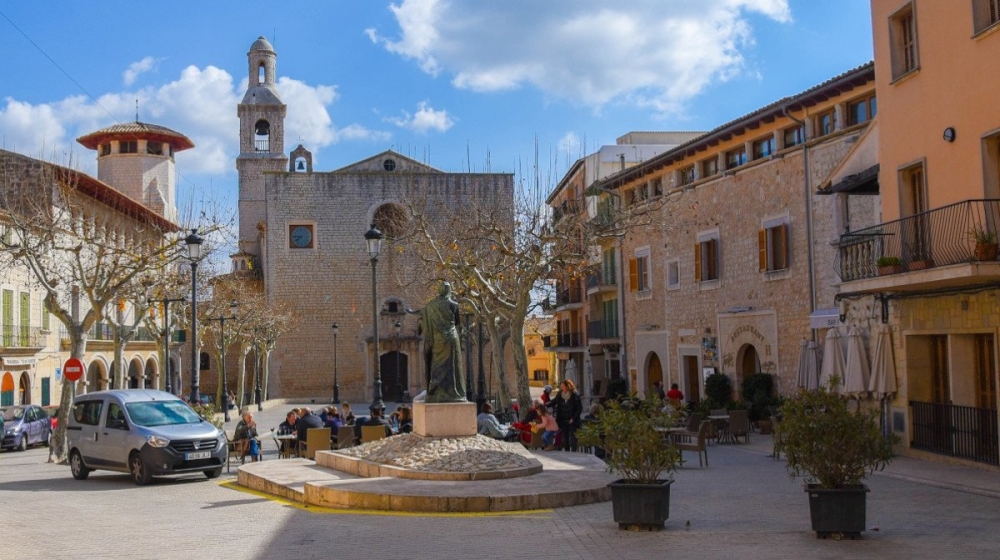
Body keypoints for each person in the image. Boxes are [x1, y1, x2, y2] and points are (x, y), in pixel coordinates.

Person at [419, 281, 466, 403]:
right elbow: (457, 323)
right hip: (451, 338)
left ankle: (436, 390)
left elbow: (424, 322)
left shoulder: (430, 306)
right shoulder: (454, 305)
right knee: (452, 366)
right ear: (449, 291)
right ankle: (454, 392)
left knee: (437, 365)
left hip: (437, 339)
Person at [548, 380, 583, 451]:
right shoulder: (560, 394)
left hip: (572, 420)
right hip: (562, 419)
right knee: (564, 437)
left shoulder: (575, 395)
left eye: (563, 386)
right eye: (561, 386)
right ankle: (567, 451)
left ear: (568, 386)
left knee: (573, 437)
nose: (562, 388)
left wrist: (573, 418)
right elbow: (553, 402)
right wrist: (545, 405)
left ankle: (573, 451)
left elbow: (579, 408)